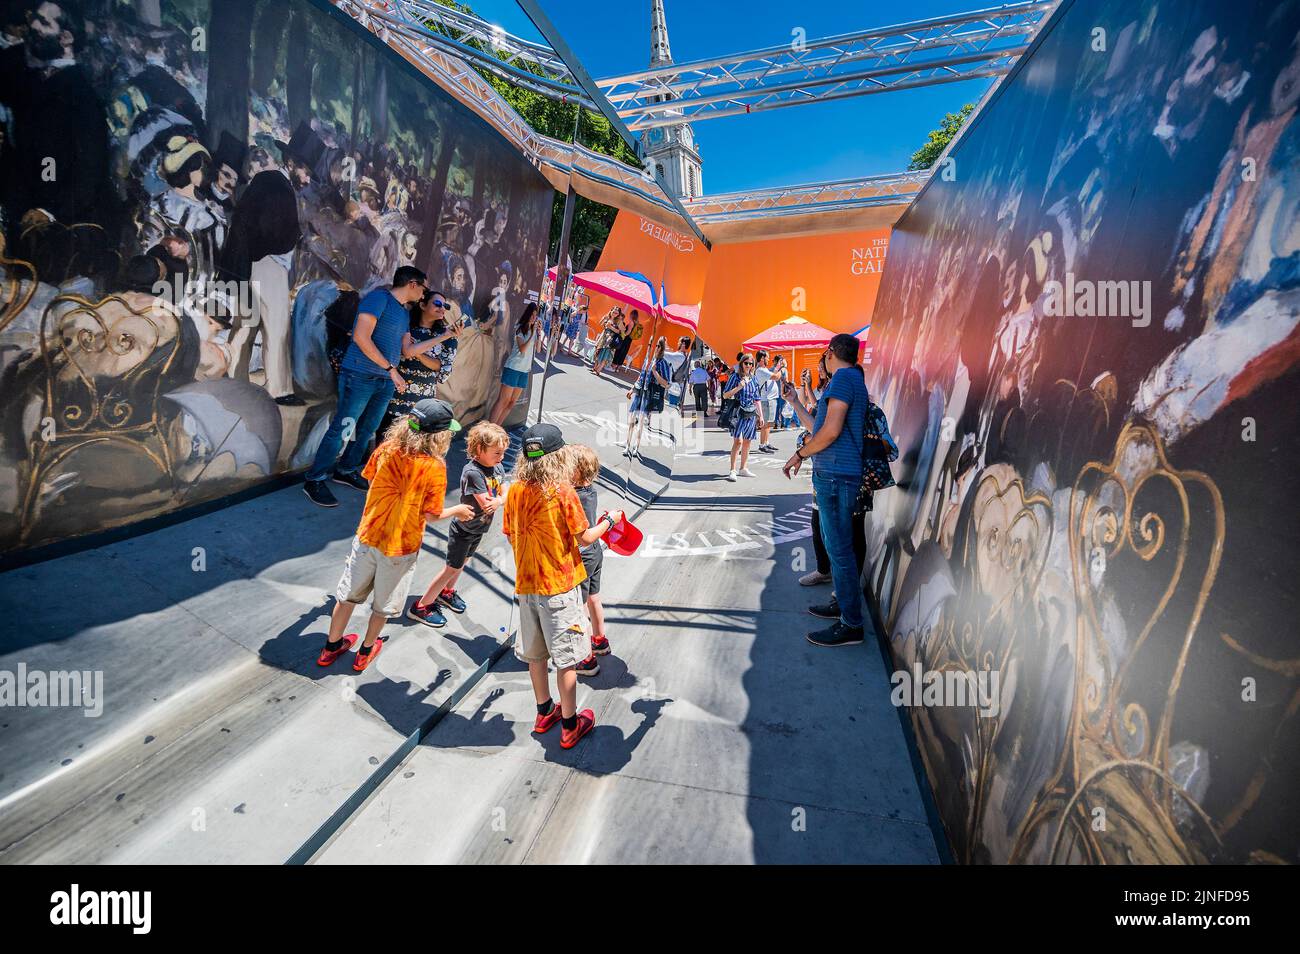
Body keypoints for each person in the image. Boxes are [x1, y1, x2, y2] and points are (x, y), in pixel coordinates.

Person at [316, 400, 474, 672]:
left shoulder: (386, 449)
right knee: (383, 604)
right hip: (401, 546)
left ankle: (331, 647)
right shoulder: (434, 467)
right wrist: (458, 510)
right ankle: (366, 650)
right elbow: (432, 514)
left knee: (347, 596)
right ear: (439, 435)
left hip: (368, 535)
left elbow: (369, 477)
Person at [503, 423, 622, 749]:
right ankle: (570, 724)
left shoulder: (514, 490)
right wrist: (609, 522)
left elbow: (509, 533)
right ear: (558, 457)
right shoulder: (562, 492)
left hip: (527, 586)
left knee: (536, 656)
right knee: (566, 660)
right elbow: (584, 537)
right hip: (559, 586)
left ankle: (544, 712)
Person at [304, 265, 427, 508]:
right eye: (423, 287)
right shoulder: (378, 299)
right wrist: (391, 369)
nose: (424, 293)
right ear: (413, 284)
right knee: (343, 428)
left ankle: (346, 470)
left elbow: (404, 349)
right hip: (360, 375)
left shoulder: (403, 313)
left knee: (368, 429)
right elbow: (361, 337)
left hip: (384, 380)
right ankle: (314, 479)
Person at [781, 334, 870, 647]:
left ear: (831, 353)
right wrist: (794, 401)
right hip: (837, 475)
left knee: (839, 549)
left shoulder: (844, 378)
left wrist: (799, 454)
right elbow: (818, 427)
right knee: (838, 548)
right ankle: (844, 608)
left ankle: (851, 624)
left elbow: (829, 432)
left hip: (836, 476)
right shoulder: (850, 379)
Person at [408, 421, 510, 627]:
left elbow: (506, 486)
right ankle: (421, 606)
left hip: (478, 528)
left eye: (502, 453)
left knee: (462, 564)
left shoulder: (495, 466)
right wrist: (501, 499)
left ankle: (446, 592)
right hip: (464, 530)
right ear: (480, 450)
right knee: (451, 568)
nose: (501, 458)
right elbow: (488, 503)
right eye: (497, 453)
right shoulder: (473, 472)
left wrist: (502, 496)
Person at [381, 289, 462, 439]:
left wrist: (415, 351)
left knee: (413, 442)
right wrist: (410, 351)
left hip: (421, 402)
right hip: (394, 393)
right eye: (438, 303)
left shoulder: (448, 336)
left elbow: (442, 369)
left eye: (446, 306)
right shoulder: (405, 328)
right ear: (423, 305)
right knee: (386, 438)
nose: (442, 308)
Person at [569, 445, 613, 677]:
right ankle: (599, 639)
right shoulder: (590, 491)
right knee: (594, 598)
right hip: (595, 552)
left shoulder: (573, 496)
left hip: (581, 554)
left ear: (575, 472)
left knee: (579, 606)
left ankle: (585, 657)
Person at [489, 301, 540, 425]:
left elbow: (538, 350)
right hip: (513, 368)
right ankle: (488, 429)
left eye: (536, 315)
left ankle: (497, 429)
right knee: (503, 401)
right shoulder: (520, 328)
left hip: (524, 370)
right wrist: (532, 334)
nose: (534, 318)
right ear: (527, 315)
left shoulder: (533, 331)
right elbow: (522, 349)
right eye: (532, 315)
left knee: (511, 403)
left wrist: (537, 334)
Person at [624, 336, 671, 458]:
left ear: (661, 348)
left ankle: (636, 447)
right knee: (631, 420)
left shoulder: (662, 363)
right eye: (650, 345)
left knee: (640, 423)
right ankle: (627, 445)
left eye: (655, 345)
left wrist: (655, 372)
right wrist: (632, 389)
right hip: (639, 391)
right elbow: (641, 376)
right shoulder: (647, 359)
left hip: (649, 394)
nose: (652, 348)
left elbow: (666, 384)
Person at [722, 353, 764, 481]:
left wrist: (761, 416)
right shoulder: (735, 377)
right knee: (738, 441)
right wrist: (739, 387)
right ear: (741, 364)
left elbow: (757, 398)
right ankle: (732, 470)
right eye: (746, 363)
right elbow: (725, 395)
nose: (748, 366)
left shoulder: (753, 378)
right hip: (738, 412)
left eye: (751, 364)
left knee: (747, 441)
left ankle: (743, 468)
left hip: (750, 413)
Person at [752, 350, 780, 454]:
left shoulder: (764, 369)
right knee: (765, 424)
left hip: (770, 399)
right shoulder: (760, 370)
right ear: (762, 358)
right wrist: (781, 368)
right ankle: (762, 445)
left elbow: (773, 375)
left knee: (769, 423)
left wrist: (778, 368)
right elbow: (776, 377)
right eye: (767, 357)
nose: (769, 359)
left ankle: (766, 442)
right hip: (765, 400)